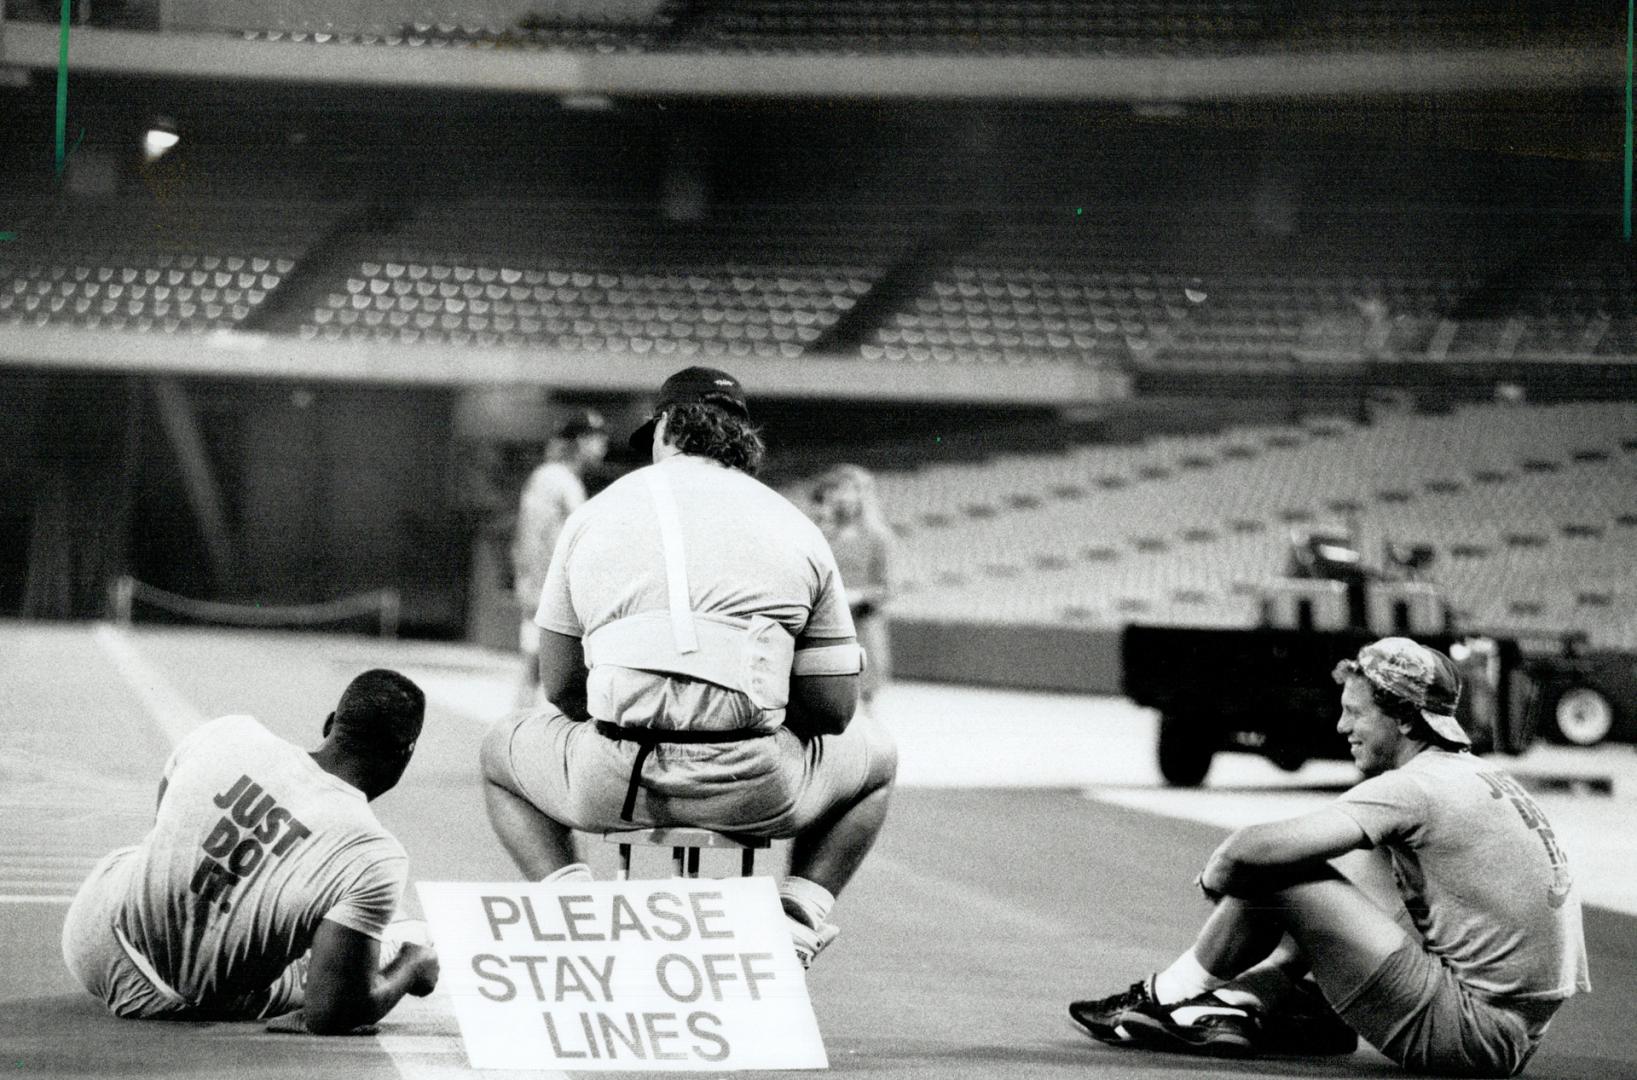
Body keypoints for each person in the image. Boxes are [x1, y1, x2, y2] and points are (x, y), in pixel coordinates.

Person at [481, 366, 898, 968]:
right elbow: (835, 710)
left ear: (667, 430)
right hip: (754, 787)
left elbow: (563, 686)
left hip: (613, 782)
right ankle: (796, 915)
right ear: (741, 438)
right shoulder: (796, 525)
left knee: (501, 749)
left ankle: (572, 906)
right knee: (878, 757)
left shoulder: (594, 514)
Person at [1069, 636, 1589, 1076]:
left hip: (1467, 1034)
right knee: (1355, 862)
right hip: (1513, 1036)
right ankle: (1251, 1002)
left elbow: (1250, 850)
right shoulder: (1475, 776)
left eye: (1355, 713)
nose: (1342, 728)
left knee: (1279, 869)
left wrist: (1218, 873)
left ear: (1405, 720)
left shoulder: (1415, 787)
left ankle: (1170, 994)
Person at [61, 670, 439, 1033]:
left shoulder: (229, 732)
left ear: (329, 724)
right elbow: (330, 1014)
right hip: (162, 999)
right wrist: (411, 967)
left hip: (89, 937)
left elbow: (166, 830)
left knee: (147, 856)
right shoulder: (375, 854)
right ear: (404, 755)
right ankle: (406, 945)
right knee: (401, 941)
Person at [510, 409, 609, 706]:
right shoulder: (552, 477)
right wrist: (533, 589)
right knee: (537, 671)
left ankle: (523, 731)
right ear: (578, 441)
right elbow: (531, 537)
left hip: (555, 593)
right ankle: (520, 735)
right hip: (546, 594)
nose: (602, 445)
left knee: (544, 673)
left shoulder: (566, 480)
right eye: (596, 438)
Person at [815, 464, 896, 707]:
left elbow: (886, 588)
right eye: (838, 490)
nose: (843, 497)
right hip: (828, 627)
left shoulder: (878, 537)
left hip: (862, 627)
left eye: (851, 490)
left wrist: (857, 596)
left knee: (863, 705)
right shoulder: (822, 534)